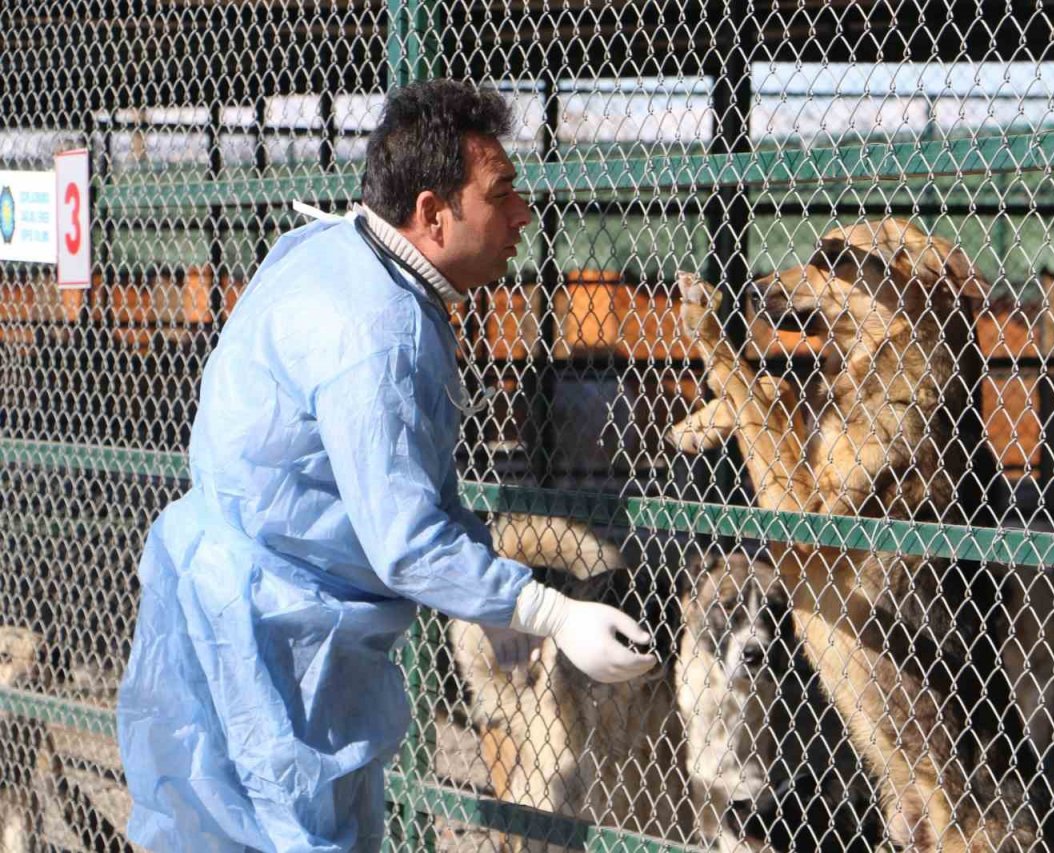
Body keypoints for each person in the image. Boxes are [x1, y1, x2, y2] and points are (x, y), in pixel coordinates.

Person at [116, 79, 657, 852]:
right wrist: (552, 613)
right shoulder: (380, 332)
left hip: (241, 596)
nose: (522, 216)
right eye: (500, 194)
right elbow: (404, 538)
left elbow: (408, 491)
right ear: (434, 214)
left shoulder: (338, 252)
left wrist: (489, 594)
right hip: (279, 637)